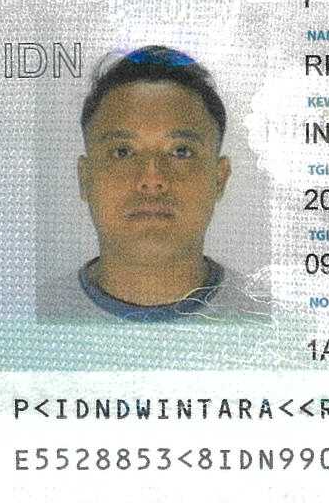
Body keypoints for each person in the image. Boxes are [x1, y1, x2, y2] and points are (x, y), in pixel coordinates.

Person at [51, 46, 244, 321]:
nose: (152, 180)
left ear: (219, 179)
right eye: (123, 152)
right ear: (85, 179)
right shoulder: (25, 316)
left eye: (181, 151)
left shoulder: (279, 322)